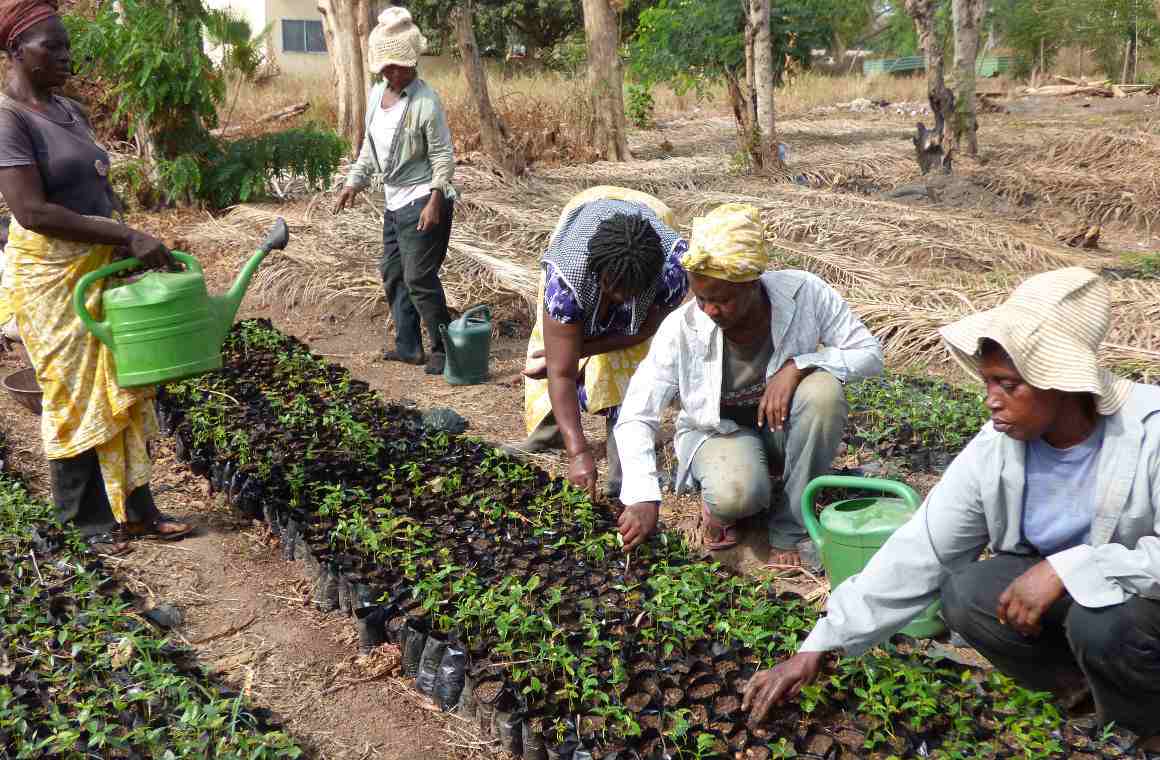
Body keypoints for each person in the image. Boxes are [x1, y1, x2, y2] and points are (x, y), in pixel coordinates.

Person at [742, 268, 1160, 752]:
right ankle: (1088, 694)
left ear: (1060, 382)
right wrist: (820, 644)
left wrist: (1070, 567)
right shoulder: (998, 447)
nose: (991, 401)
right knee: (966, 591)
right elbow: (924, 548)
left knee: (1101, 622)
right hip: (1078, 603)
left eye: (1007, 385)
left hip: (1142, 606)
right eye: (988, 382)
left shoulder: (1148, 431)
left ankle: (1148, 725)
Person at [0, 0, 190, 550]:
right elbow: (30, 211)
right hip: (52, 275)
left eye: (66, 46)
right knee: (73, 392)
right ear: (16, 50)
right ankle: (83, 519)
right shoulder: (8, 118)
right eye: (51, 47)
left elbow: (98, 191)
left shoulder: (70, 111)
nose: (66, 57)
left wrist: (132, 245)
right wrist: (125, 237)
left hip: (98, 261)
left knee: (124, 380)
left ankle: (136, 507)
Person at [615, 203, 883, 567]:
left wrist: (799, 365)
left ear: (752, 283)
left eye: (721, 299)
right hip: (720, 436)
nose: (708, 310)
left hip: (779, 431)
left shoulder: (805, 293)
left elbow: (869, 354)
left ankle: (790, 526)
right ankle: (723, 506)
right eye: (700, 297)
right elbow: (636, 413)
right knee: (738, 494)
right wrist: (643, 494)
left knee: (824, 393)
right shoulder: (682, 326)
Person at [507, 186, 690, 498]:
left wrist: (582, 350)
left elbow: (642, 333)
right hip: (586, 211)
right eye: (612, 288)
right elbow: (561, 373)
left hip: (652, 214)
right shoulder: (565, 280)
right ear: (597, 270)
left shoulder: (673, 271)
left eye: (629, 293)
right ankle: (551, 432)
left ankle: (624, 462)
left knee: (629, 363)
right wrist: (579, 454)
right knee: (552, 349)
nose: (619, 298)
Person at [334, 7, 455, 377]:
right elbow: (371, 149)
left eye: (399, 66)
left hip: (424, 200)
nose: (392, 73)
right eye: (387, 67)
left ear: (412, 62)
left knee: (418, 276)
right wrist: (355, 181)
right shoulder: (376, 97)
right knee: (392, 272)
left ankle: (443, 348)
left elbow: (443, 155)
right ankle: (408, 347)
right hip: (394, 201)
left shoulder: (425, 103)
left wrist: (435, 199)